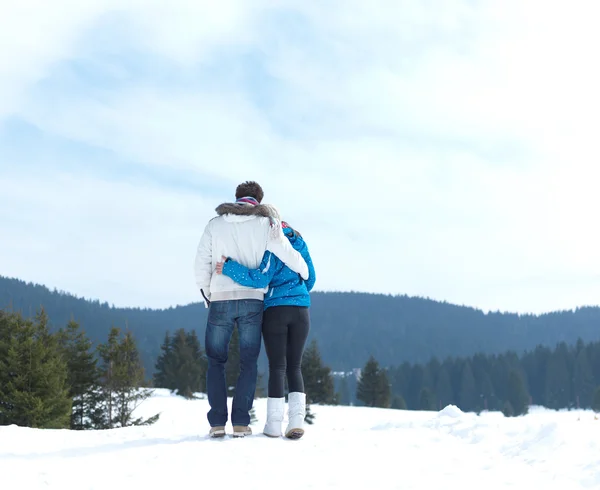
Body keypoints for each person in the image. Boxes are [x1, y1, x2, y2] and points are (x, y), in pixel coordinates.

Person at [194, 182, 309, 438]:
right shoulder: (265, 224)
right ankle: (241, 423)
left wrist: (208, 295)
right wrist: (304, 269)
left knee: (216, 361)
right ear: (259, 199)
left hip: (220, 298)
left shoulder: (215, 224)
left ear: (237, 199)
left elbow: (201, 263)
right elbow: (285, 251)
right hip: (253, 301)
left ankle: (216, 423)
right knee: (248, 362)